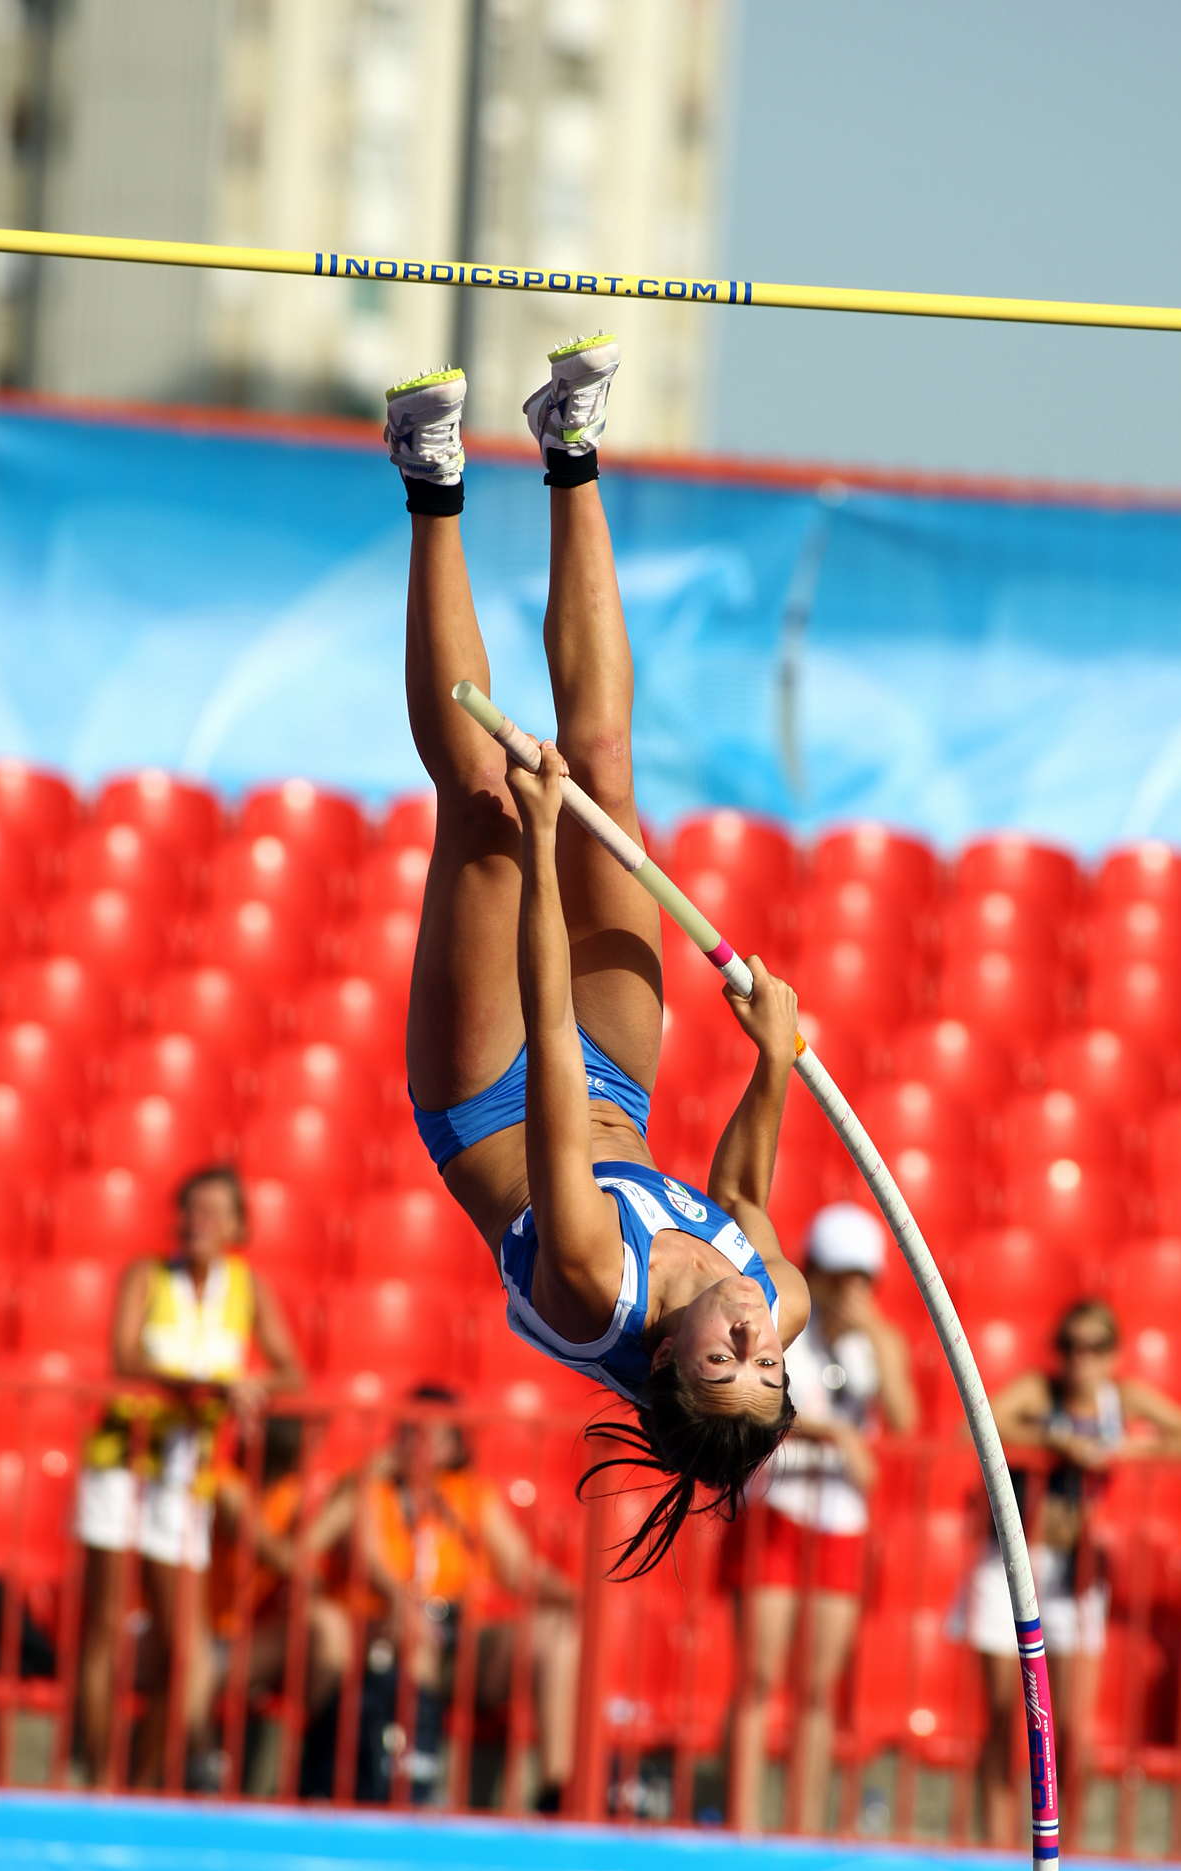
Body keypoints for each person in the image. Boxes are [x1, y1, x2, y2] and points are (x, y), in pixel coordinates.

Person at [385, 335, 807, 1574]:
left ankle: (429, 479)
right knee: (609, 776)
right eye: (771, 1367)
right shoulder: (773, 1299)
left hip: (494, 1103)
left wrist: (542, 838)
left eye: (729, 1362)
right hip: (618, 1083)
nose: (756, 1339)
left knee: (487, 805)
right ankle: (572, 447)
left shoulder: (590, 1286)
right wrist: (773, 1064)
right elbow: (743, 1198)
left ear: (667, 1365)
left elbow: (555, 1070)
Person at [953, 1296, 1181, 1848]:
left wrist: (1125, 1448)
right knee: (1004, 1718)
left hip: (1074, 1573)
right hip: (1010, 1565)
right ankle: (995, 1847)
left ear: (1114, 1354)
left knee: (1073, 1729)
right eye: (1071, 1347)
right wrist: (1053, 1440)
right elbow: (972, 1427)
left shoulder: (1120, 1401)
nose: (1082, 1359)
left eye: (1095, 1347)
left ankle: (1066, 1851)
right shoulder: (1039, 1392)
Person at [74, 1165, 304, 1787]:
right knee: (105, 1626)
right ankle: (98, 1782)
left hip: (187, 1471)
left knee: (182, 1649)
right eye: (190, 1209)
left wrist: (252, 1385)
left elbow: (292, 1371)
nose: (196, 1221)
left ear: (237, 1227)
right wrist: (206, 1386)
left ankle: (141, 1783)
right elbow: (125, 1358)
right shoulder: (146, 1275)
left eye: (211, 1211)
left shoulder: (247, 1288)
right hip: (122, 1459)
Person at [721, 1201, 918, 1831]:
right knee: (758, 1676)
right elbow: (760, 1407)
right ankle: (743, 1824)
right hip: (776, 1509)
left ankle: (802, 1825)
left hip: (840, 1520)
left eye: (863, 1280)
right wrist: (835, 1436)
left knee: (817, 1689)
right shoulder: (784, 1330)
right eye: (841, 1277)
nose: (852, 1292)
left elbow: (906, 1423)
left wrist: (881, 1342)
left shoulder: (873, 1345)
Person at [301, 1387, 577, 1809]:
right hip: (385, 1631)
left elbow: (519, 1570)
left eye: (434, 1435)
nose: (420, 1444)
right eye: (411, 1431)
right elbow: (369, 1560)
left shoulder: (472, 1495)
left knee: (557, 1636)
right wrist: (404, 1602)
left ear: (454, 1447)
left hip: (458, 1636)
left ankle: (556, 1792)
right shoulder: (372, 1487)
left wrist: (575, 1598)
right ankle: (414, 1779)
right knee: (414, 1635)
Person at [208, 1414, 353, 1791]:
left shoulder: (295, 1495)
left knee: (328, 1626)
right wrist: (336, 1514)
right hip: (210, 1643)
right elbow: (279, 1555)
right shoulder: (224, 1484)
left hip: (255, 1643)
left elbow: (308, 1576)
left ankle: (318, 1774)